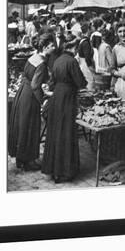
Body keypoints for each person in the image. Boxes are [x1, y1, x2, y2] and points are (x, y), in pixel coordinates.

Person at [41, 35, 87, 183]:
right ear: (72, 48)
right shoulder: (72, 61)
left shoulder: (57, 60)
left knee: (55, 133)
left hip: (56, 98)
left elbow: (52, 82)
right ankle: (66, 171)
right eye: (75, 48)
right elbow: (80, 82)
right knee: (67, 132)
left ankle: (54, 169)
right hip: (67, 98)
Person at [8, 34, 55, 171]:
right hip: (30, 97)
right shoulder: (41, 63)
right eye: (52, 46)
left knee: (22, 127)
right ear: (45, 47)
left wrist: (42, 90)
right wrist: (42, 100)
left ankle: (20, 159)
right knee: (30, 127)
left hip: (23, 92)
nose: (53, 48)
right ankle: (28, 161)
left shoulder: (33, 57)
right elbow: (35, 85)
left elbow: (28, 77)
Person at [77, 22, 95, 91]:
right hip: (86, 66)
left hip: (83, 65)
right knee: (90, 83)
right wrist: (92, 69)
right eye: (91, 28)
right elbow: (87, 58)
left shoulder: (83, 40)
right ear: (88, 30)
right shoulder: (86, 43)